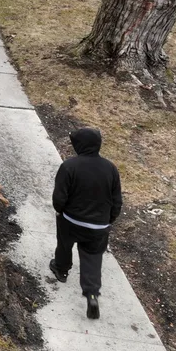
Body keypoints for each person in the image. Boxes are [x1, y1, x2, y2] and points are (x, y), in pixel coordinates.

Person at [50, 127, 123, 319]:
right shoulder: (110, 168)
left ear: (79, 145)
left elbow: (60, 196)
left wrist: (60, 211)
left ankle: (61, 269)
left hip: (72, 220)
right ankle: (91, 294)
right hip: (98, 226)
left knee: (64, 244)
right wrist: (108, 220)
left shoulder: (69, 166)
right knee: (92, 257)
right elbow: (117, 201)